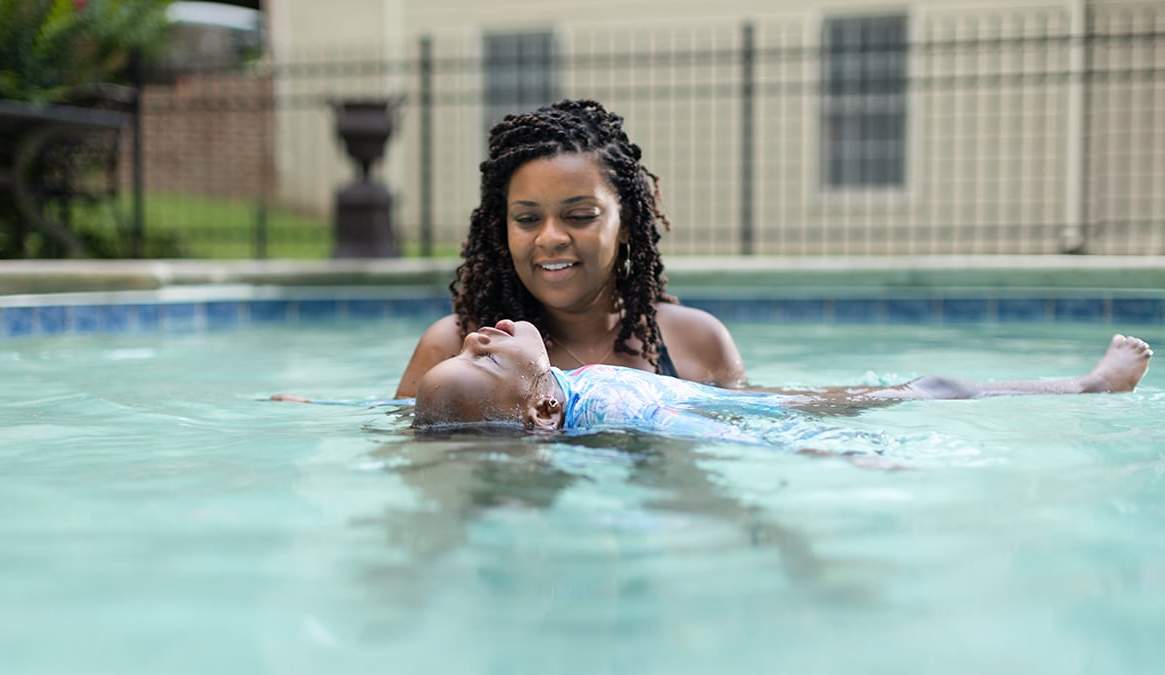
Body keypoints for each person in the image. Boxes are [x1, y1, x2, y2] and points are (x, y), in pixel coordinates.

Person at [395, 98, 746, 398]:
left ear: (625, 224)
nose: (550, 237)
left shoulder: (696, 340)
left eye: (579, 216)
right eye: (527, 219)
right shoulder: (456, 348)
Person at [412, 319, 1154, 443]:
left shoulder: (559, 400)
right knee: (930, 389)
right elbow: (693, 425)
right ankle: (1087, 388)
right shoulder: (603, 399)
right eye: (478, 357)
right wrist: (816, 446)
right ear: (543, 403)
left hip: (746, 408)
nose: (476, 336)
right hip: (765, 416)